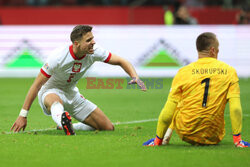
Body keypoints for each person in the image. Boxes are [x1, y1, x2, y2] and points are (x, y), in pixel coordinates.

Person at [11, 25, 146, 135]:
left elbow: (121, 61)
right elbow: (36, 86)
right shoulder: (57, 57)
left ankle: (69, 124)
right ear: (76, 43)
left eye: (92, 38)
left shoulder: (94, 51)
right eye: (88, 40)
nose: (93, 42)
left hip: (72, 94)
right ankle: (62, 122)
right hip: (50, 91)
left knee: (108, 127)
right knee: (54, 100)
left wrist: (135, 77)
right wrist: (23, 115)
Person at [143, 32, 249, 147]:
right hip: (214, 135)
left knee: (177, 100)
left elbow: (167, 112)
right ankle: (238, 142)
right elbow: (236, 109)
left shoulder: (183, 72)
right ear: (213, 51)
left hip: (186, 132)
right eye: (218, 51)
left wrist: (157, 140)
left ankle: (162, 139)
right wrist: (237, 140)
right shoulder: (229, 71)